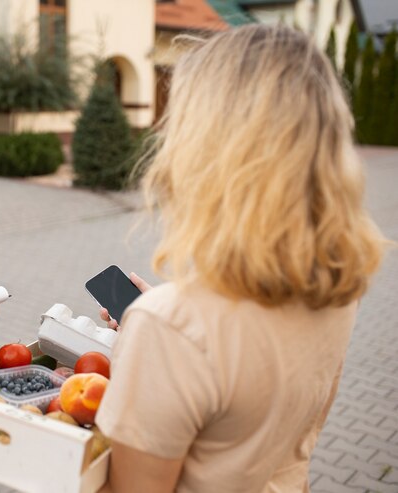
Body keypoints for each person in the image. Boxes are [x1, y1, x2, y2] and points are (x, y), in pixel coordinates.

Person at [95, 25, 386, 492]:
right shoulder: (336, 288)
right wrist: (171, 331)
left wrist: (167, 333)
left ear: (207, 151)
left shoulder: (170, 329)